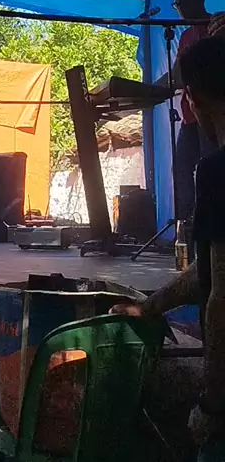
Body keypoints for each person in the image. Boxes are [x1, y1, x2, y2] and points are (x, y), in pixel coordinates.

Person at [114, 35, 225, 460]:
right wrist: (151, 306)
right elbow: (209, 269)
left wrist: (212, 405)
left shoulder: (216, 171)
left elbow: (221, 296)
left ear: (192, 100)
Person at [158, 0, 218, 221]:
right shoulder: (185, 36)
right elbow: (176, 74)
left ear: (200, 0)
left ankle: (211, 224)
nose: (180, 9)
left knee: (210, 171)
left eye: (185, 2)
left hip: (212, 116)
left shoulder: (216, 28)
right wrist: (147, 91)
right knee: (181, 170)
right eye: (177, 4)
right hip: (190, 117)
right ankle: (187, 225)